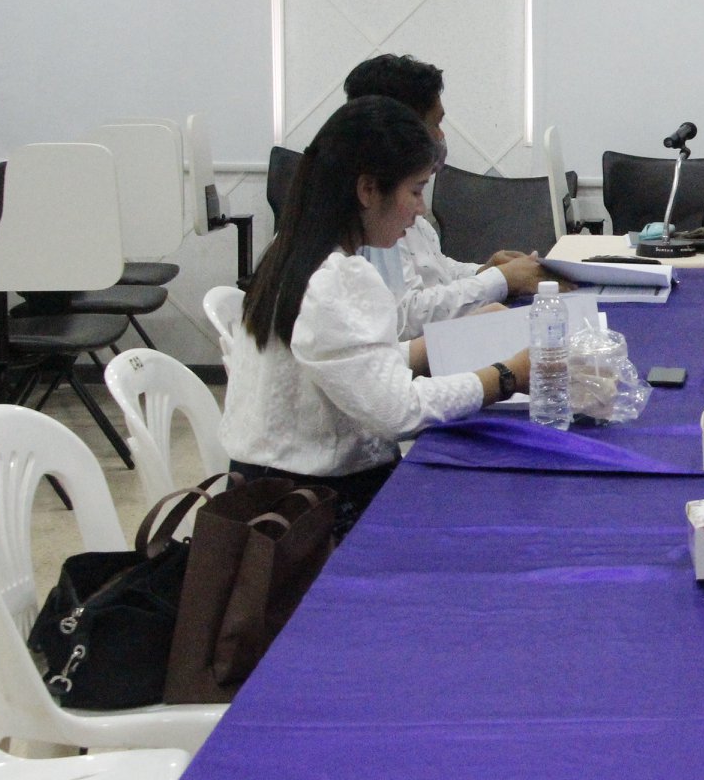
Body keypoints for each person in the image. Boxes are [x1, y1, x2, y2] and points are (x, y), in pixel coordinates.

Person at [223, 96, 531, 536]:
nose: (420, 209)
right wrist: (507, 376)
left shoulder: (292, 255)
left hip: (271, 493)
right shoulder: (339, 278)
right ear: (368, 190)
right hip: (314, 513)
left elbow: (349, 365)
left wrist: (449, 341)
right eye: (415, 191)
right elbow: (398, 410)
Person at [342, 54, 551, 337]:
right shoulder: (376, 215)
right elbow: (404, 319)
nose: (440, 136)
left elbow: (434, 271)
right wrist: (500, 280)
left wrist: (483, 272)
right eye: (435, 124)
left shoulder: (394, 196)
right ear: (401, 127)